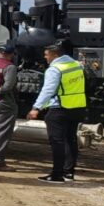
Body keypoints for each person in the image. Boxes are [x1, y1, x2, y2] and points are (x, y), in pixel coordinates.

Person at [27, 44, 87, 184]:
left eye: (46, 54)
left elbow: (48, 90)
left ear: (55, 55)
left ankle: (57, 175)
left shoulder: (55, 69)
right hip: (77, 107)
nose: (45, 57)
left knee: (57, 142)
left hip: (60, 109)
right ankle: (69, 173)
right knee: (70, 140)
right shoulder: (77, 65)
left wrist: (36, 108)